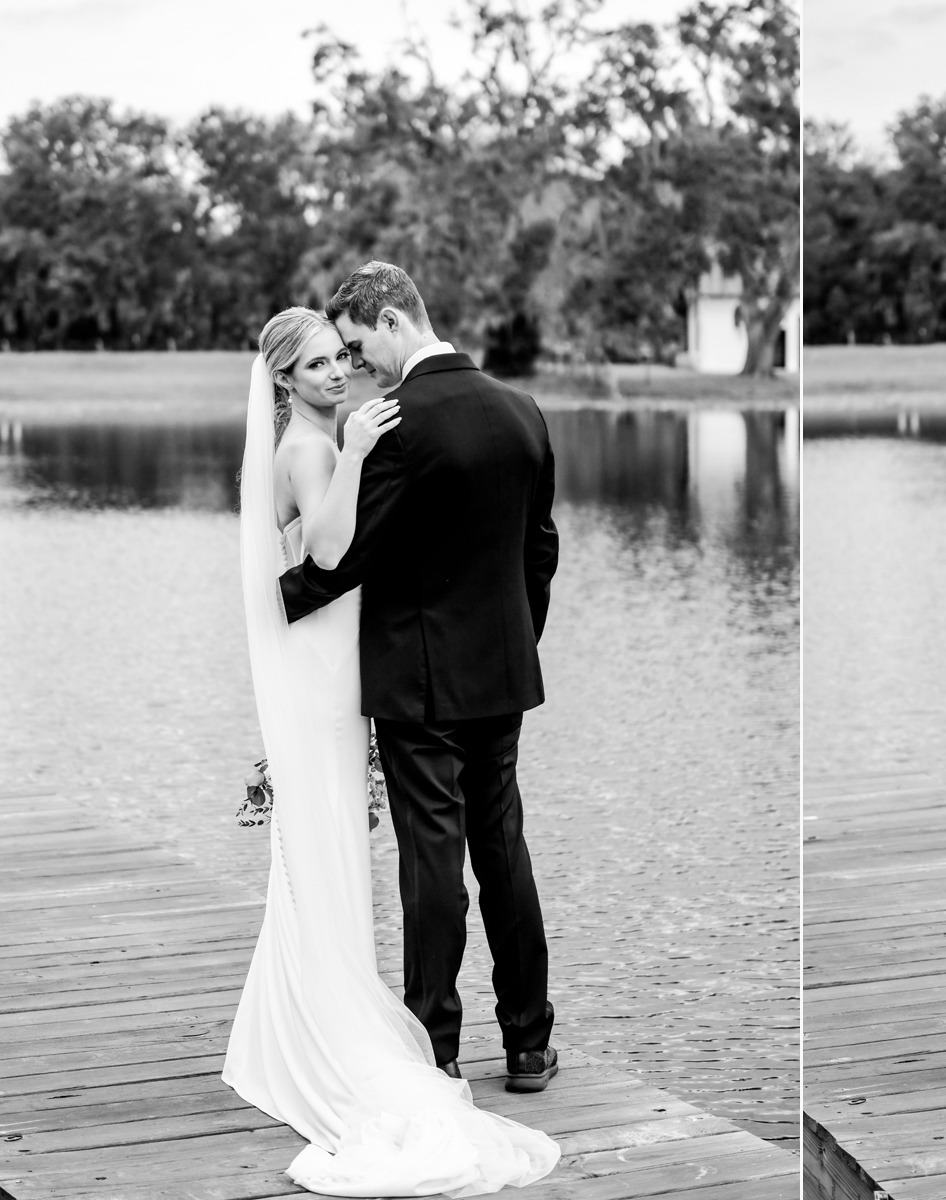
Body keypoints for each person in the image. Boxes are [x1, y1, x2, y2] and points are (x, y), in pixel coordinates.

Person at [226, 305, 559, 1194]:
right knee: (505, 850)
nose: (353, 368)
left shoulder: (400, 427)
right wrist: (513, 640)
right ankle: (530, 1043)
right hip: (501, 674)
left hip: (416, 683)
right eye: (331, 359)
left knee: (430, 861)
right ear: (288, 378)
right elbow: (541, 550)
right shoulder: (522, 410)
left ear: (385, 318)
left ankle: (435, 1047)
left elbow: (345, 556)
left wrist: (288, 601)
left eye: (355, 346)